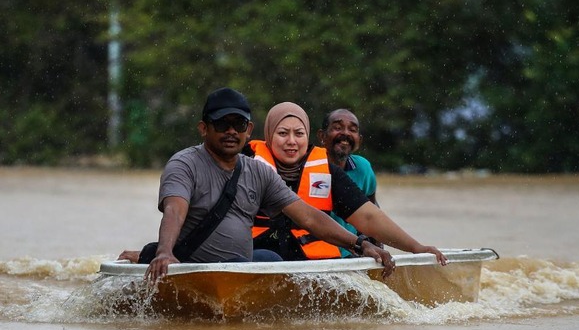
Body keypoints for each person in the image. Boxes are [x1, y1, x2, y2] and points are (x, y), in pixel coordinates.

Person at [120, 88, 396, 283]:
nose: (231, 131)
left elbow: (311, 217)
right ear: (204, 128)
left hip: (247, 264)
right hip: (200, 263)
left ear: (248, 130)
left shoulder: (259, 171)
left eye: (238, 124)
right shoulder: (185, 164)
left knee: (269, 258)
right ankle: (150, 253)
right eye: (222, 124)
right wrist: (165, 252)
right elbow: (174, 211)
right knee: (263, 255)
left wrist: (362, 245)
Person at [246, 102, 448, 265]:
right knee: (267, 258)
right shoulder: (246, 164)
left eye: (299, 134)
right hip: (260, 257)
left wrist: (416, 247)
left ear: (307, 138)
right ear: (269, 135)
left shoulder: (327, 172)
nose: (291, 141)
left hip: (311, 261)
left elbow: (368, 217)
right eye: (282, 134)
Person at [316, 108, 379, 257]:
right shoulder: (309, 166)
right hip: (313, 254)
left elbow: (372, 210)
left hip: (349, 253)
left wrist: (377, 246)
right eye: (337, 128)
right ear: (322, 136)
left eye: (352, 130)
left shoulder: (363, 168)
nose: (345, 133)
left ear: (359, 140)